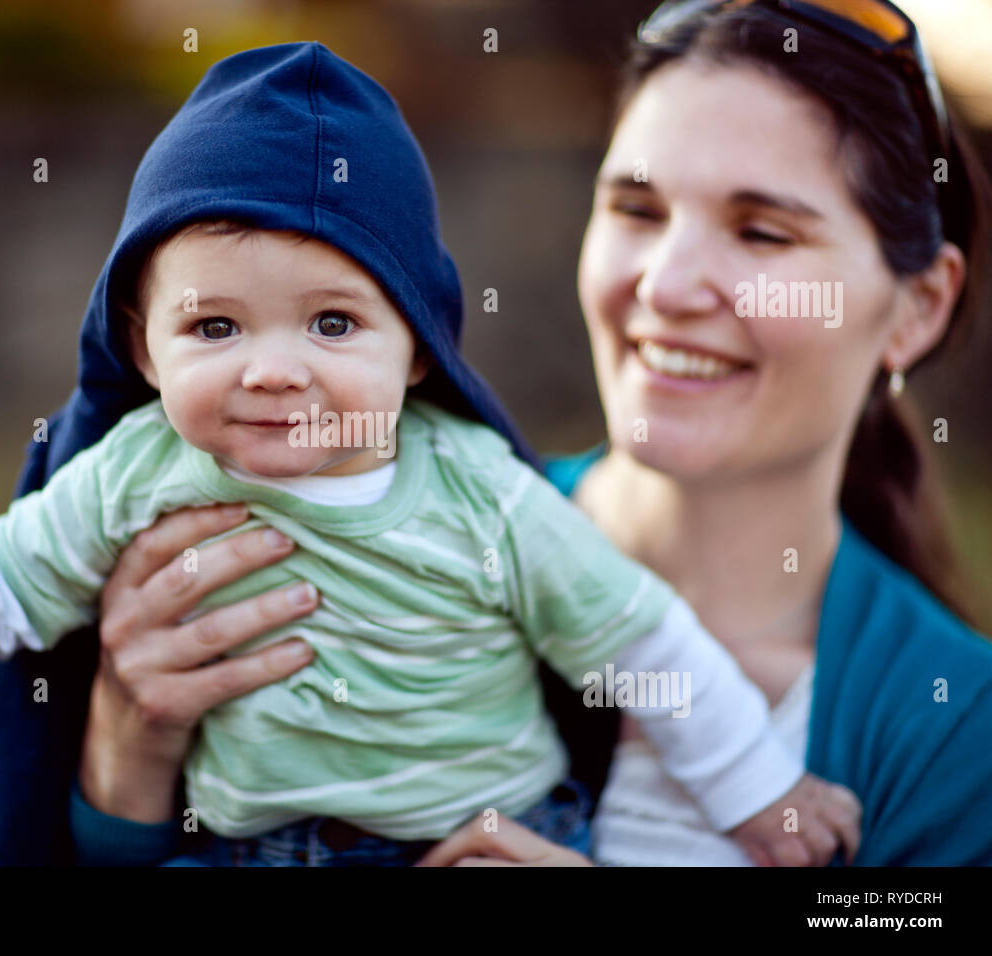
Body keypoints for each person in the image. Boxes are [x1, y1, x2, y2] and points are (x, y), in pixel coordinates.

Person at [0, 41, 857, 867]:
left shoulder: (478, 494)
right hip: (249, 846)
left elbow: (645, 639)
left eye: (332, 324)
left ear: (417, 351)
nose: (274, 369)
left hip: (487, 837)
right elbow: (9, 581)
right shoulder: (136, 470)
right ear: (142, 347)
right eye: (215, 327)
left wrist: (760, 792)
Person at [62, 1, 992, 866]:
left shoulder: (957, 728)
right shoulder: (328, 533)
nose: (665, 286)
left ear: (917, 307)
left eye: (762, 234)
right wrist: (125, 759)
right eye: (637, 210)